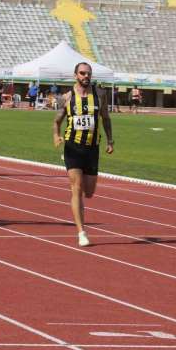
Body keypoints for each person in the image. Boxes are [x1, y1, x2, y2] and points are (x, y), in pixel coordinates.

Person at [53, 62, 114, 247]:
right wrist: (56, 136)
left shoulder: (100, 95)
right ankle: (81, 232)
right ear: (75, 75)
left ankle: (81, 229)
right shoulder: (67, 97)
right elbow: (56, 121)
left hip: (92, 148)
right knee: (76, 188)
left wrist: (110, 140)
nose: (85, 76)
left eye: (88, 73)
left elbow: (106, 118)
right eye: (82, 73)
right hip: (72, 147)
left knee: (89, 192)